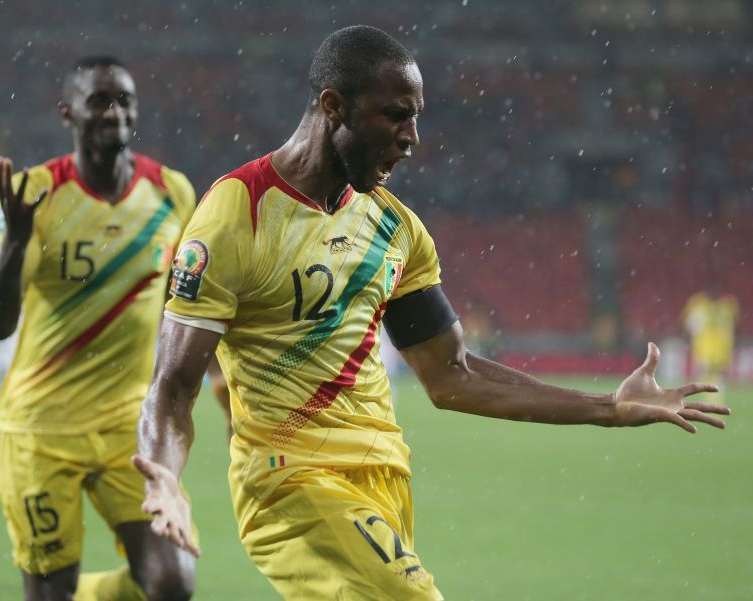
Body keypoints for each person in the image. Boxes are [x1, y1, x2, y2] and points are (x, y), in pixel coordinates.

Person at [133, 26, 730, 600]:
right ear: (333, 106)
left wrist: (609, 408)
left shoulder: (396, 230)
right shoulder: (239, 212)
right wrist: (164, 476)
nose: (412, 136)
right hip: (292, 481)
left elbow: (453, 375)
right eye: (396, 115)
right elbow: (172, 387)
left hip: (384, 478)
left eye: (415, 117)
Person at [0, 56, 198, 601]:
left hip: (130, 427)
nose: (114, 112)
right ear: (67, 113)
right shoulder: (34, 193)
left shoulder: (173, 194)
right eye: (99, 100)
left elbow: (190, 306)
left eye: (124, 100)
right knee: (51, 592)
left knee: (174, 582)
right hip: (41, 429)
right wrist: (13, 244)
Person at [682, 285, 739, 395]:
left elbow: (733, 323)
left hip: (720, 345)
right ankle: (705, 389)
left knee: (718, 369)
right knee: (706, 368)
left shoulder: (726, 305)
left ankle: (714, 390)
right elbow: (689, 323)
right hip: (704, 344)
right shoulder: (698, 305)